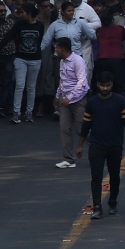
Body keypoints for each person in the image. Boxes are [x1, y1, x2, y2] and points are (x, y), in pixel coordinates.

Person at [77, 71, 125, 220]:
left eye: (107, 85)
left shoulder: (120, 101)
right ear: (98, 85)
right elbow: (86, 125)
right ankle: (97, 206)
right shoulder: (92, 103)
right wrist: (80, 145)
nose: (105, 88)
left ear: (112, 85)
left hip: (115, 145)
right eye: (102, 85)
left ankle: (113, 201)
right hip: (97, 145)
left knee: (114, 176)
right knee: (96, 176)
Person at [0, 2, 44, 123]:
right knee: (19, 85)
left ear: (29, 14)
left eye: (22, 12)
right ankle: (16, 113)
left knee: (31, 87)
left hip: (35, 59)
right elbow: (9, 36)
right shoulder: (19, 25)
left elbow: (40, 41)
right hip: (20, 58)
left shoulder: (40, 25)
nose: (20, 14)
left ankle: (29, 112)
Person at [53, 36, 90, 169]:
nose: (55, 50)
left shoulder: (77, 61)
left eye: (56, 47)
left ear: (62, 49)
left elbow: (82, 82)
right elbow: (63, 81)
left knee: (82, 129)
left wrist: (70, 97)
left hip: (78, 100)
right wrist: (58, 96)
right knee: (64, 129)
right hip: (65, 101)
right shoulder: (62, 62)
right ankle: (68, 159)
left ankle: (99, 153)